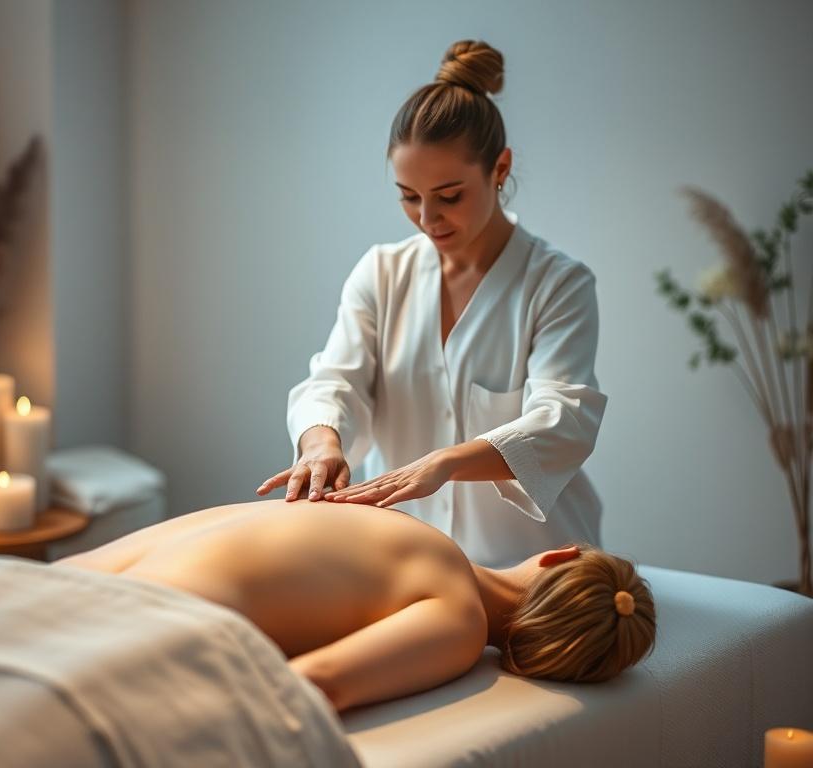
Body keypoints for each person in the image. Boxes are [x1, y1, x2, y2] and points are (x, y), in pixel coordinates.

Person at [256, 39, 609, 570]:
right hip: (405, 559)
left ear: (500, 168)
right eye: (408, 196)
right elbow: (335, 381)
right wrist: (321, 444)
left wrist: (446, 463)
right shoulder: (382, 272)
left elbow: (563, 420)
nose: (427, 218)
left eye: (449, 196)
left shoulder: (558, 284)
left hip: (533, 564)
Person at [53, 498, 656, 713]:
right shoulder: (455, 615)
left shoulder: (436, 565)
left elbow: (316, 685)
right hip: (143, 614)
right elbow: (316, 687)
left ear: (559, 555)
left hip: (78, 579)